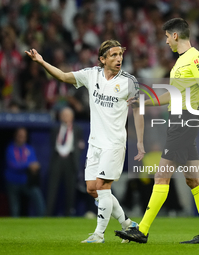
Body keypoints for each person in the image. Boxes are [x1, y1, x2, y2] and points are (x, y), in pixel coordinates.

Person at [115, 18, 199, 244]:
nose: (166, 41)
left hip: (184, 121)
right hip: (180, 119)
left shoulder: (195, 59)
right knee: (194, 180)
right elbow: (172, 95)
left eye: (167, 36)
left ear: (176, 35)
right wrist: (145, 103)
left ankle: (142, 230)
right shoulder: (181, 62)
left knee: (161, 176)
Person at [25, 39, 145, 243]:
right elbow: (63, 76)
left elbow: (138, 112)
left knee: (103, 186)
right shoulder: (91, 75)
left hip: (114, 143)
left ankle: (99, 235)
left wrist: (140, 141)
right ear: (102, 59)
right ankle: (128, 225)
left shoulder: (129, 82)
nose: (119, 59)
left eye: (120, 55)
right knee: (92, 188)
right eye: (114, 55)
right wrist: (42, 62)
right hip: (95, 143)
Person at [46, 107, 84, 216]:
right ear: (60, 116)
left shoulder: (77, 129)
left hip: (70, 161)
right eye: (63, 115)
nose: (65, 117)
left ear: (72, 117)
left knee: (70, 189)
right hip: (57, 160)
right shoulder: (55, 129)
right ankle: (48, 213)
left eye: (67, 115)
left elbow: (80, 145)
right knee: (52, 188)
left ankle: (69, 213)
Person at [5, 127, 45, 217]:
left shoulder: (29, 149)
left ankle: (42, 221)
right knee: (15, 208)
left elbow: (34, 162)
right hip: (12, 182)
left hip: (26, 182)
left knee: (38, 198)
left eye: (23, 136)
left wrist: (34, 166)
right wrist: (28, 165)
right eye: (19, 136)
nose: (21, 138)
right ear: (15, 136)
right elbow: (13, 165)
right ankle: (14, 228)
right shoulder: (10, 149)